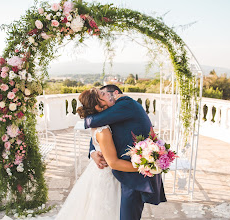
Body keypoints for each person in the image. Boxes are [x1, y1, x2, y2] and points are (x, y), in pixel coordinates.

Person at [85, 84, 167, 220]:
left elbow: (93, 121)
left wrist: (86, 117)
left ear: (116, 93)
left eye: (106, 94)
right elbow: (99, 134)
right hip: (119, 173)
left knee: (128, 216)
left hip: (133, 175)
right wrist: (93, 152)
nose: (107, 97)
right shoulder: (112, 113)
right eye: (103, 95)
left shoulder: (126, 104)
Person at [54, 88, 138, 220]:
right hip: (107, 175)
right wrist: (142, 168)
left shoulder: (101, 122)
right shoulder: (103, 129)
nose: (108, 94)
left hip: (100, 172)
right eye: (102, 94)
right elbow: (113, 162)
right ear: (98, 107)